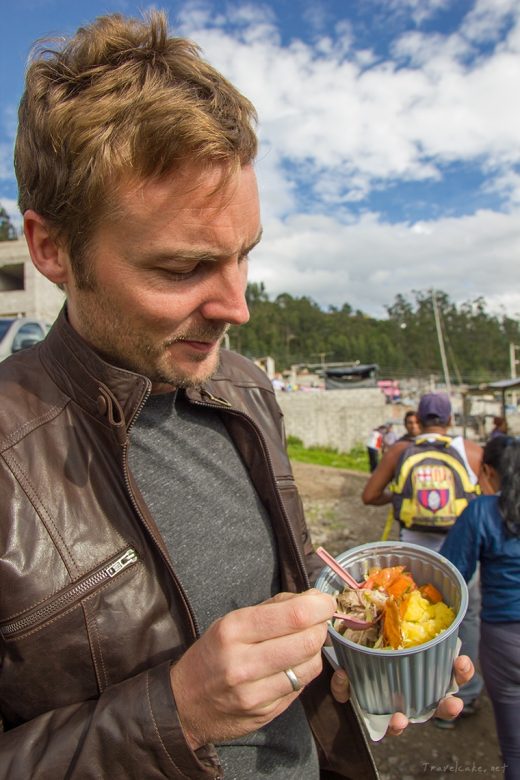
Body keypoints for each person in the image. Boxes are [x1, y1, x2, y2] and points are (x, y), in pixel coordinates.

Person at [0, 12, 472, 778]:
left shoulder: (246, 389)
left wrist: (360, 657)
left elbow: (280, 620)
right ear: (52, 250)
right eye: (182, 269)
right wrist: (173, 712)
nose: (237, 308)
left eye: (244, 254)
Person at [362, 391, 484, 715]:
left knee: (407, 614)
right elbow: (488, 502)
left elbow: (369, 495)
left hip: (413, 554)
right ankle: (466, 694)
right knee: (466, 617)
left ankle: (409, 689)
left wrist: (399, 496)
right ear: (450, 420)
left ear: (418, 417)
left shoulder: (402, 450)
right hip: (461, 553)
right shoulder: (470, 452)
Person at [440, 436, 520, 779]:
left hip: (505, 642)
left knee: (515, 748)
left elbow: (451, 575)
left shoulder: (482, 511)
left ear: (487, 470)